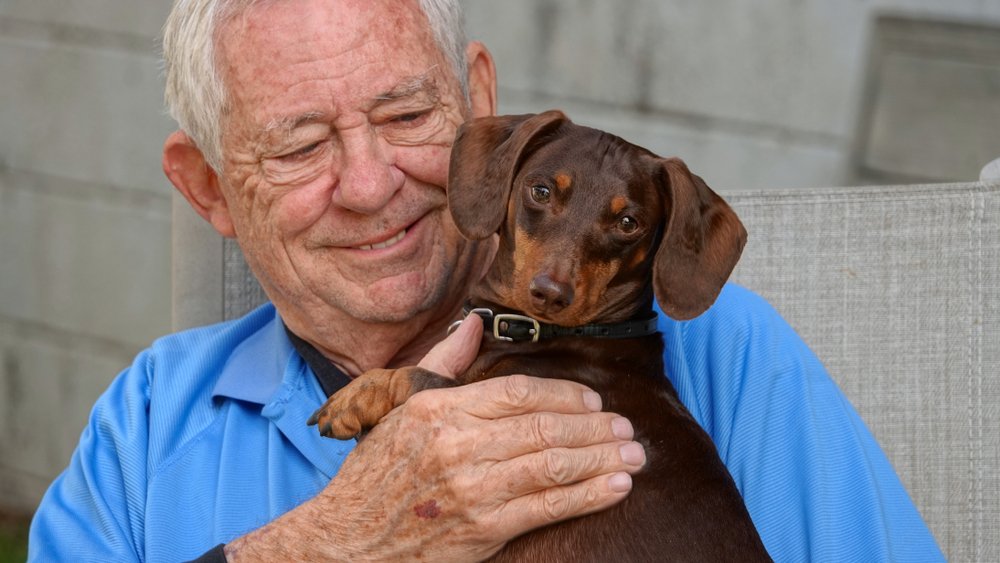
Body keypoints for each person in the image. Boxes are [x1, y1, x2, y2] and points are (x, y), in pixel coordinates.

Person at [28, 0, 943, 561]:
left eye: (407, 112)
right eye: (301, 145)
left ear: (478, 102)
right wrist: (331, 545)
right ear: (209, 188)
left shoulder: (724, 357)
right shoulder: (146, 429)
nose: (371, 184)